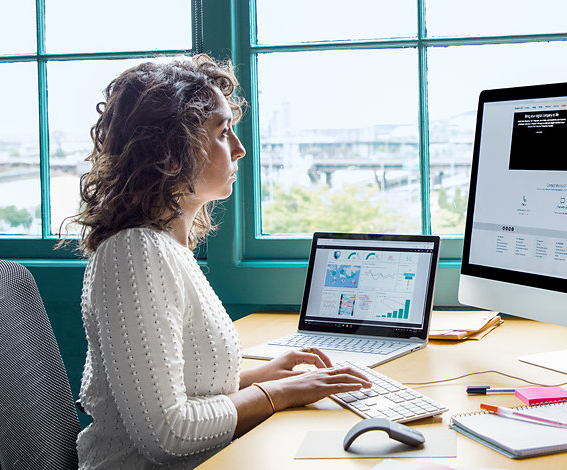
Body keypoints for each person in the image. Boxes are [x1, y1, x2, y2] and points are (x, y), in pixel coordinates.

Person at [70, 54, 371, 469]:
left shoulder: (166, 248)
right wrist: (281, 394)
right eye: (223, 132)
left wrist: (266, 376)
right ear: (172, 152)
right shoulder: (133, 255)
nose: (240, 149)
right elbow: (168, 433)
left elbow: (186, 389)